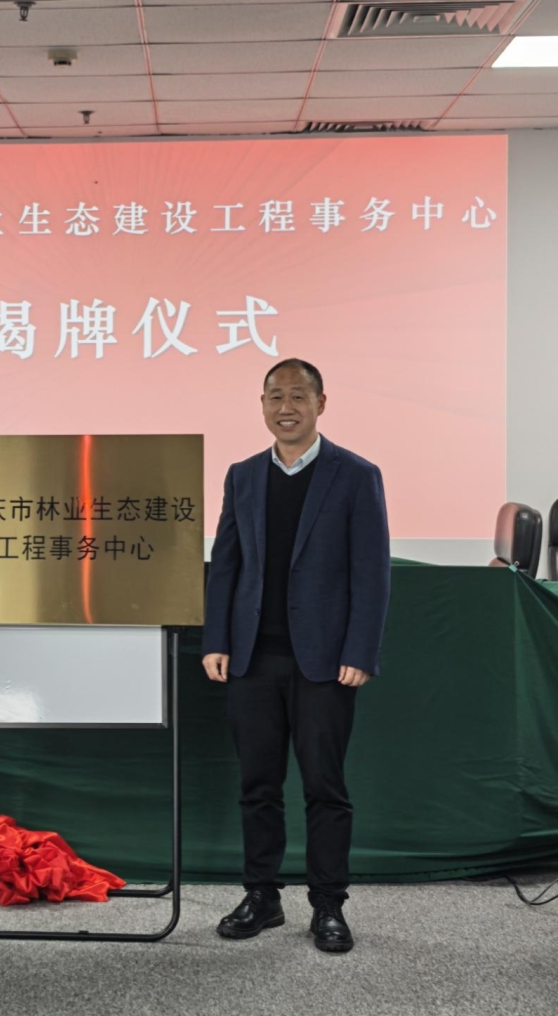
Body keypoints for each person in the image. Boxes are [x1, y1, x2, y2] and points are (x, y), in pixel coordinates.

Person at [202, 359, 390, 953]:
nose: (286, 408)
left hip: (326, 662)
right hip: (252, 660)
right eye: (275, 397)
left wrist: (361, 650)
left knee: (325, 787)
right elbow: (226, 564)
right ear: (262, 405)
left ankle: (328, 905)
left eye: (298, 397)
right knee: (257, 785)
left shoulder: (355, 475)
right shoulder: (242, 475)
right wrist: (216, 639)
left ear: (320, 403)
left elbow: (372, 572)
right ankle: (262, 896)